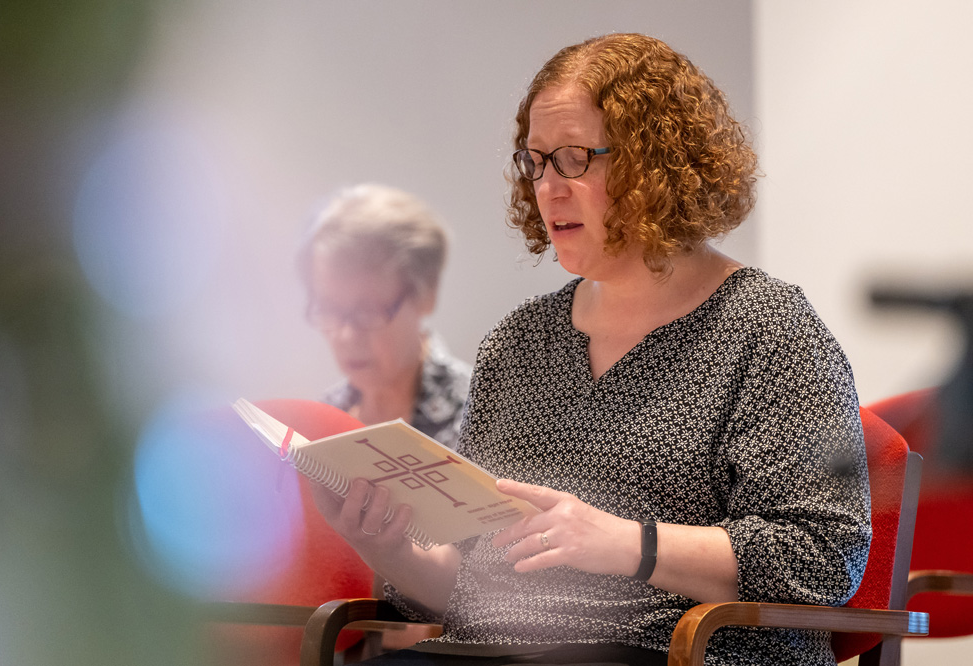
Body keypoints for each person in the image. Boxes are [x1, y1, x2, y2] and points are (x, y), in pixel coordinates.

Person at [310, 34, 871, 666]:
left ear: (657, 165)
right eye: (536, 162)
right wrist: (385, 545)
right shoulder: (519, 343)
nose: (548, 187)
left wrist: (626, 543)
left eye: (575, 158)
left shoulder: (768, 329)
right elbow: (472, 584)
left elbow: (825, 557)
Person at [297, 183, 472, 450]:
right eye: (329, 309)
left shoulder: (480, 415)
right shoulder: (320, 423)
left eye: (367, 311)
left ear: (426, 294)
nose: (346, 335)